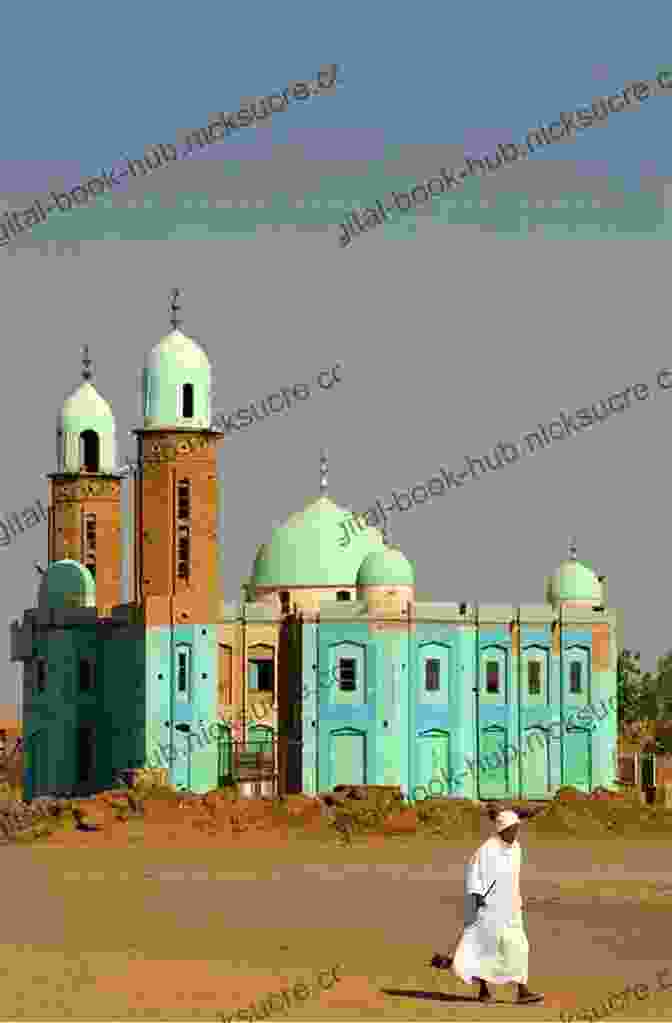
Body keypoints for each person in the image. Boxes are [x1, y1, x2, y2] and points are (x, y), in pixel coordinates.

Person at [449, 809, 543, 1004]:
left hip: (511, 908)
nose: (515, 833)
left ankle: (522, 990)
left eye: (517, 828)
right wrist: (476, 898)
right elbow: (473, 874)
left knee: (519, 946)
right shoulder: (486, 849)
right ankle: (484, 990)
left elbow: (513, 879)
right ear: (502, 829)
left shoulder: (516, 848)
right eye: (511, 829)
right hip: (488, 909)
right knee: (485, 948)